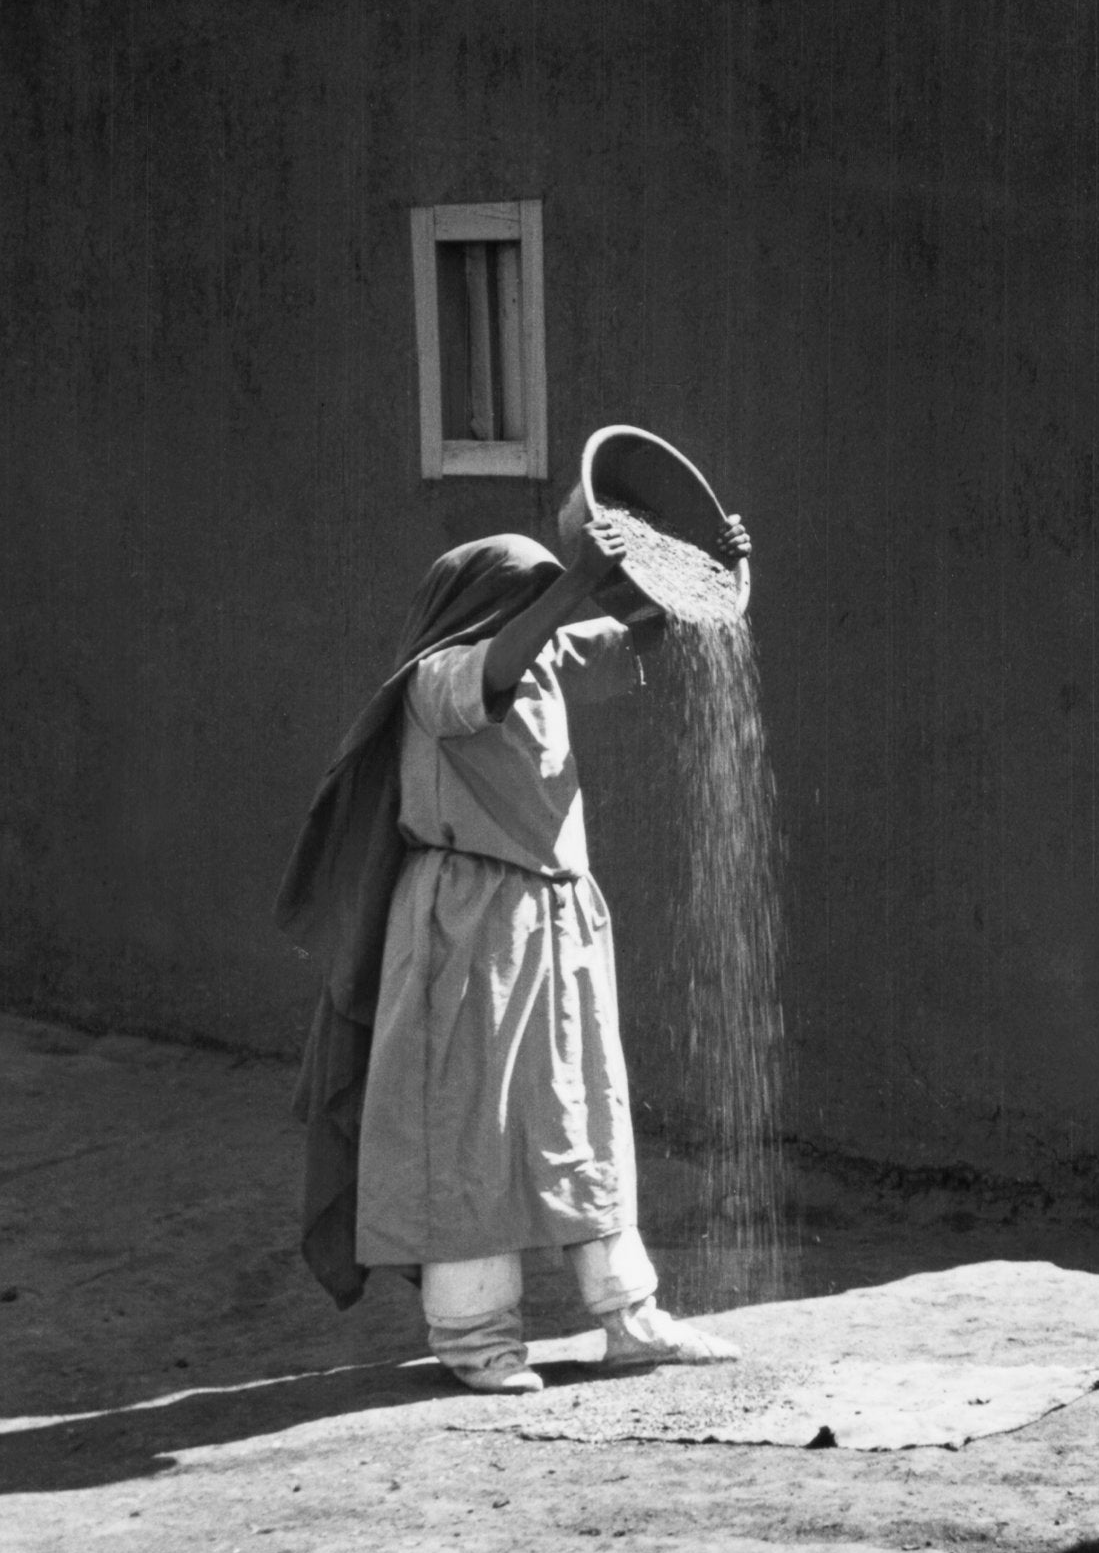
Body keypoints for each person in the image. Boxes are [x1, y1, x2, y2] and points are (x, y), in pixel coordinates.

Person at [277, 517, 748, 1392]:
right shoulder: (438, 678)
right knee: (468, 1126)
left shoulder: (546, 658)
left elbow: (647, 624)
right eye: (529, 600)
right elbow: (491, 672)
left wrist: (714, 570)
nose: (548, 618)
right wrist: (572, 581)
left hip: (558, 915)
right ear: (486, 606)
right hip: (466, 930)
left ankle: (629, 1314)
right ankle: (474, 1334)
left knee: (582, 1111)